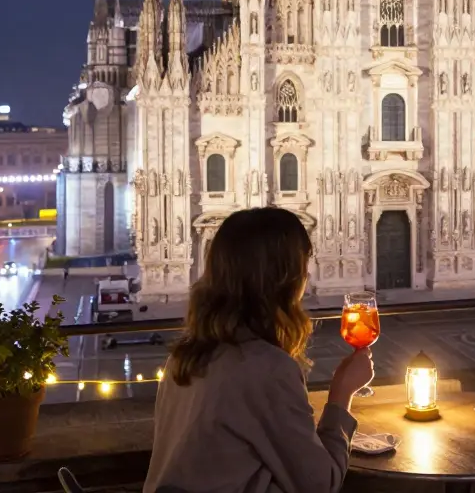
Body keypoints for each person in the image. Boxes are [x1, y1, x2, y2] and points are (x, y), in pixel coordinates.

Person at [144, 207, 374, 493]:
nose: (308, 274)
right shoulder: (265, 368)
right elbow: (321, 484)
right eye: (304, 262)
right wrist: (341, 394)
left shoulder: (185, 356)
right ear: (285, 278)